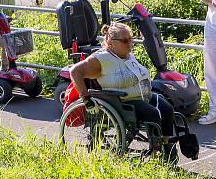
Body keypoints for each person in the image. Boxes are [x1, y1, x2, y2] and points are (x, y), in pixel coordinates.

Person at [70, 22, 178, 163]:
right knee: (153, 113)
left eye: (130, 39)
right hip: (123, 102)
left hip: (144, 96)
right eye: (125, 41)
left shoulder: (128, 55)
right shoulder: (101, 59)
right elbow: (75, 71)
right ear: (111, 42)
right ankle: (156, 154)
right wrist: (86, 98)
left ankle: (166, 147)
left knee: (168, 109)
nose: (129, 43)